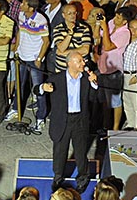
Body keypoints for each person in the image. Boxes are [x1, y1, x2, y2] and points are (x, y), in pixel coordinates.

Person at [38, 50, 100, 191]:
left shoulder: (86, 78)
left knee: (81, 151)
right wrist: (43, 87)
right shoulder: (56, 79)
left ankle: (83, 178)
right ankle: (58, 178)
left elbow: (93, 98)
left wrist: (94, 83)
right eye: (80, 61)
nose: (83, 63)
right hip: (62, 120)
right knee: (60, 151)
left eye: (83, 60)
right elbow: (38, 90)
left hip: (80, 120)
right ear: (70, 63)